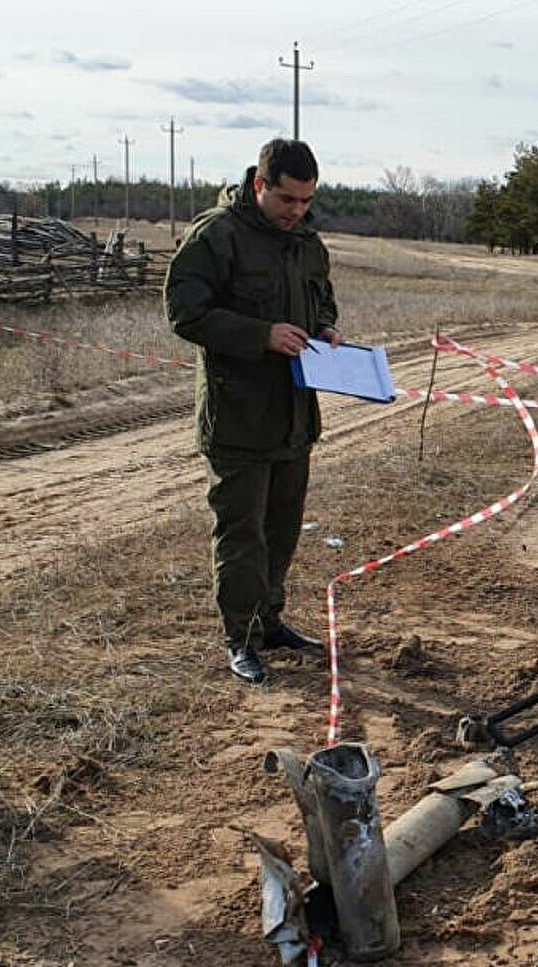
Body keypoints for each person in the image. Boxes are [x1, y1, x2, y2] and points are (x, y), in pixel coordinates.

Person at [164, 138, 340, 684]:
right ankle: (239, 638)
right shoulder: (216, 235)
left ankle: (270, 622)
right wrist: (261, 335)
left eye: (307, 201)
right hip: (238, 415)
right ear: (261, 185)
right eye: (288, 200)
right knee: (242, 535)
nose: (298, 212)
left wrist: (326, 327)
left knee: (282, 528)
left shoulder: (306, 242)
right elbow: (184, 313)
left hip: (292, 415)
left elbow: (322, 297)